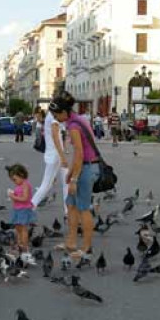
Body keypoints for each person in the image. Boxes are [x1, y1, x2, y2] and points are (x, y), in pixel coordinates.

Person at [50, 95, 100, 262]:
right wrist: (70, 171)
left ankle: (86, 249)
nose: (56, 118)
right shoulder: (78, 120)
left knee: (83, 209)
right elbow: (80, 153)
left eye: (56, 115)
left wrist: (74, 179)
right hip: (84, 166)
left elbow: (80, 153)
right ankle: (71, 242)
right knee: (71, 205)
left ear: (64, 112)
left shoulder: (73, 126)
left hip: (87, 168)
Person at [31, 105, 69, 218]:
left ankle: (68, 210)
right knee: (46, 185)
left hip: (54, 154)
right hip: (55, 156)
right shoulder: (53, 119)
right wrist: (62, 157)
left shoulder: (50, 116)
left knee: (66, 181)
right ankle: (29, 207)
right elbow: (56, 138)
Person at [7, 164, 36, 259]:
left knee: (23, 229)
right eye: (12, 180)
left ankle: (25, 246)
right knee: (18, 228)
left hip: (24, 209)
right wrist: (13, 194)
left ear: (22, 175)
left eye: (14, 179)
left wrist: (13, 196)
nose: (14, 182)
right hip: (17, 209)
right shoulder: (19, 184)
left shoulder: (26, 185)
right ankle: (19, 244)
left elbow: (25, 198)